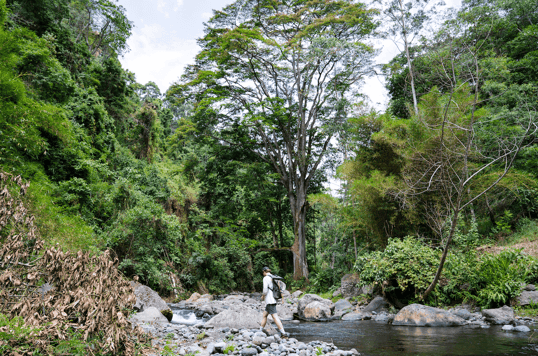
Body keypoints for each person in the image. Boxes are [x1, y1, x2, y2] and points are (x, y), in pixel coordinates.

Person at [260, 266, 289, 337]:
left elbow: (265, 290)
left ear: (264, 271)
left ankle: (283, 333)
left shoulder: (266, 278)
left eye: (262, 272)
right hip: (272, 300)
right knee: (265, 315)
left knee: (275, 317)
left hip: (270, 301)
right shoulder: (273, 277)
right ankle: (260, 331)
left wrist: (263, 296)